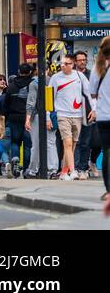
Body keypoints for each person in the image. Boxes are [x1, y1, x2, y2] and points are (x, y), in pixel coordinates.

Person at [44, 55, 90, 180]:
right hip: (62, 114)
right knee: (68, 143)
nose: (63, 65)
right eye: (62, 63)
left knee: (72, 145)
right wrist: (48, 116)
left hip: (78, 115)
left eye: (67, 63)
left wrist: (95, 109)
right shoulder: (55, 78)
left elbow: (89, 93)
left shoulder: (80, 76)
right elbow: (49, 98)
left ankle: (64, 172)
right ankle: (73, 171)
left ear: (73, 64)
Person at [88, 36, 110, 201]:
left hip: (103, 117)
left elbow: (93, 93)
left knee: (108, 152)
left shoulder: (97, 69)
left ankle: (109, 190)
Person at [5, 63, 33, 175]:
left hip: (14, 117)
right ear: (30, 72)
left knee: (15, 142)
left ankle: (15, 159)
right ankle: (26, 169)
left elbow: (6, 103)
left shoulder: (11, 86)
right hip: (28, 118)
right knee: (28, 144)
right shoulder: (32, 84)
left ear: (19, 71)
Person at [73, 50, 95, 178]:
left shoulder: (92, 75)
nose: (82, 62)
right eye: (80, 60)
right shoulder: (71, 75)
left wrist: (94, 110)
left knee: (86, 142)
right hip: (73, 113)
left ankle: (83, 168)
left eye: (84, 60)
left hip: (88, 112)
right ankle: (74, 167)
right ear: (75, 62)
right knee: (75, 141)